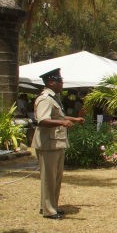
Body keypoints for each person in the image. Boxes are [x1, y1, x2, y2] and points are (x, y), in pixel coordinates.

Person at [32, 68, 84, 219]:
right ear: (51, 82)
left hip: (56, 142)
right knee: (49, 177)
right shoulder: (45, 99)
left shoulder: (54, 98)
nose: (62, 84)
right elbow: (42, 120)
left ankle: (50, 206)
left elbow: (58, 115)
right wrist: (62, 122)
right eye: (60, 81)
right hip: (48, 144)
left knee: (55, 177)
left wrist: (73, 119)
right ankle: (49, 210)